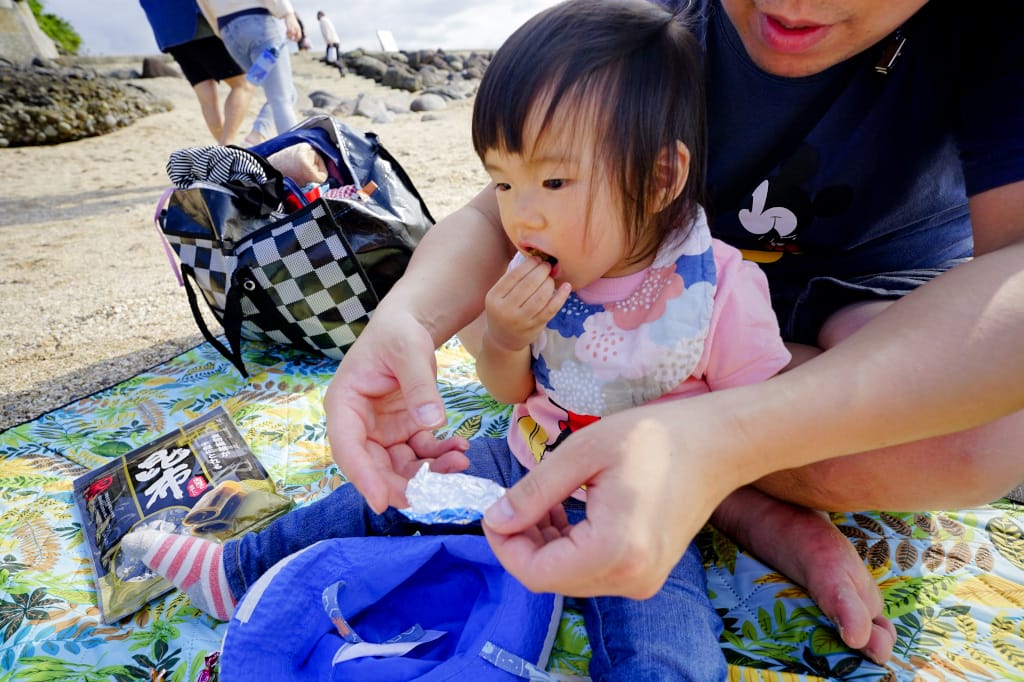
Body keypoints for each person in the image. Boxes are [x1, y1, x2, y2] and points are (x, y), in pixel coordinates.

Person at [322, 0, 1024, 668]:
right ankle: (743, 501)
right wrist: (408, 316)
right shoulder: (649, 23)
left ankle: (721, 479)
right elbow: (499, 211)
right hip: (638, 280)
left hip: (868, 302)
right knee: (492, 294)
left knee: (985, 433)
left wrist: (722, 442)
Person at [124, 1, 791, 676]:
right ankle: (235, 568)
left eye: (553, 181)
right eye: (503, 181)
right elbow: (514, 390)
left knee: (670, 651)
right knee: (390, 492)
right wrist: (505, 336)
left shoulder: (719, 290)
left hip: (644, 511)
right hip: (524, 460)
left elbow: (754, 430)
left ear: (659, 178)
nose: (521, 213)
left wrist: (761, 521)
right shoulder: (537, 266)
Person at [139, 0, 254, 145]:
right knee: (243, 84)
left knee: (206, 98)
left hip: (168, 33)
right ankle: (226, 145)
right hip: (197, 25)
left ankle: (224, 150)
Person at [197, 0, 302, 146]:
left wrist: (220, 31)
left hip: (229, 33)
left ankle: (257, 135)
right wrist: (288, 13)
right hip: (259, 23)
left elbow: (204, 6)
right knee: (281, 98)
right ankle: (295, 154)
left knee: (284, 92)